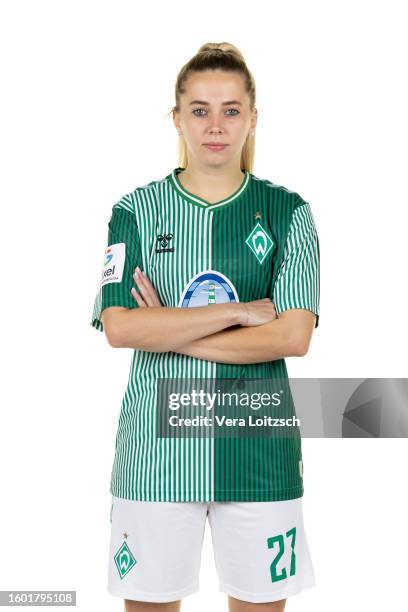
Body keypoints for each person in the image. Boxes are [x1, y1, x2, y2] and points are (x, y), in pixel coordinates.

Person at [90, 42, 320, 612]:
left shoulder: (289, 213)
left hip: (258, 453)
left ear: (253, 117)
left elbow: (292, 337)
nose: (215, 125)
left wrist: (167, 326)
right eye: (199, 109)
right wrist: (237, 312)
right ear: (177, 118)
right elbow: (120, 326)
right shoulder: (135, 211)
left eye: (231, 109)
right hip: (157, 456)